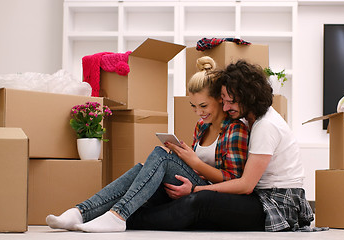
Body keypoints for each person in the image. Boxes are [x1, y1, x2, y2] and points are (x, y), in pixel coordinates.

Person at [45, 56, 249, 233]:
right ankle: (80, 212)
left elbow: (234, 179)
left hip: (213, 196)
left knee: (161, 156)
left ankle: (118, 215)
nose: (199, 112)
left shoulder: (235, 130)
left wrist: (194, 163)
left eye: (203, 106)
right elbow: (203, 169)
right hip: (197, 183)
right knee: (142, 168)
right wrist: (184, 158)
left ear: (220, 100)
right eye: (193, 106)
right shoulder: (201, 127)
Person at [127, 60, 315, 232]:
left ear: (250, 97)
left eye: (231, 101)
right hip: (257, 195)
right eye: (223, 100)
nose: (225, 107)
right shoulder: (247, 119)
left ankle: (132, 220)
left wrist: (195, 189)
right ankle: (123, 213)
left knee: (201, 200)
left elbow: (245, 185)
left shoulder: (266, 126)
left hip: (277, 203)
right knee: (182, 196)